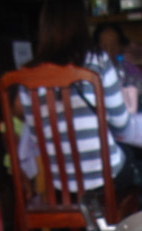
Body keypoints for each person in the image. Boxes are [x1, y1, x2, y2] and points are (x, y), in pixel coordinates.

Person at [18, 0, 135, 194]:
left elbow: (37, 137)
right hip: (104, 182)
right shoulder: (98, 61)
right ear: (82, 24)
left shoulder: (28, 76)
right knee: (130, 155)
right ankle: (119, 222)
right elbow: (122, 124)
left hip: (61, 187)